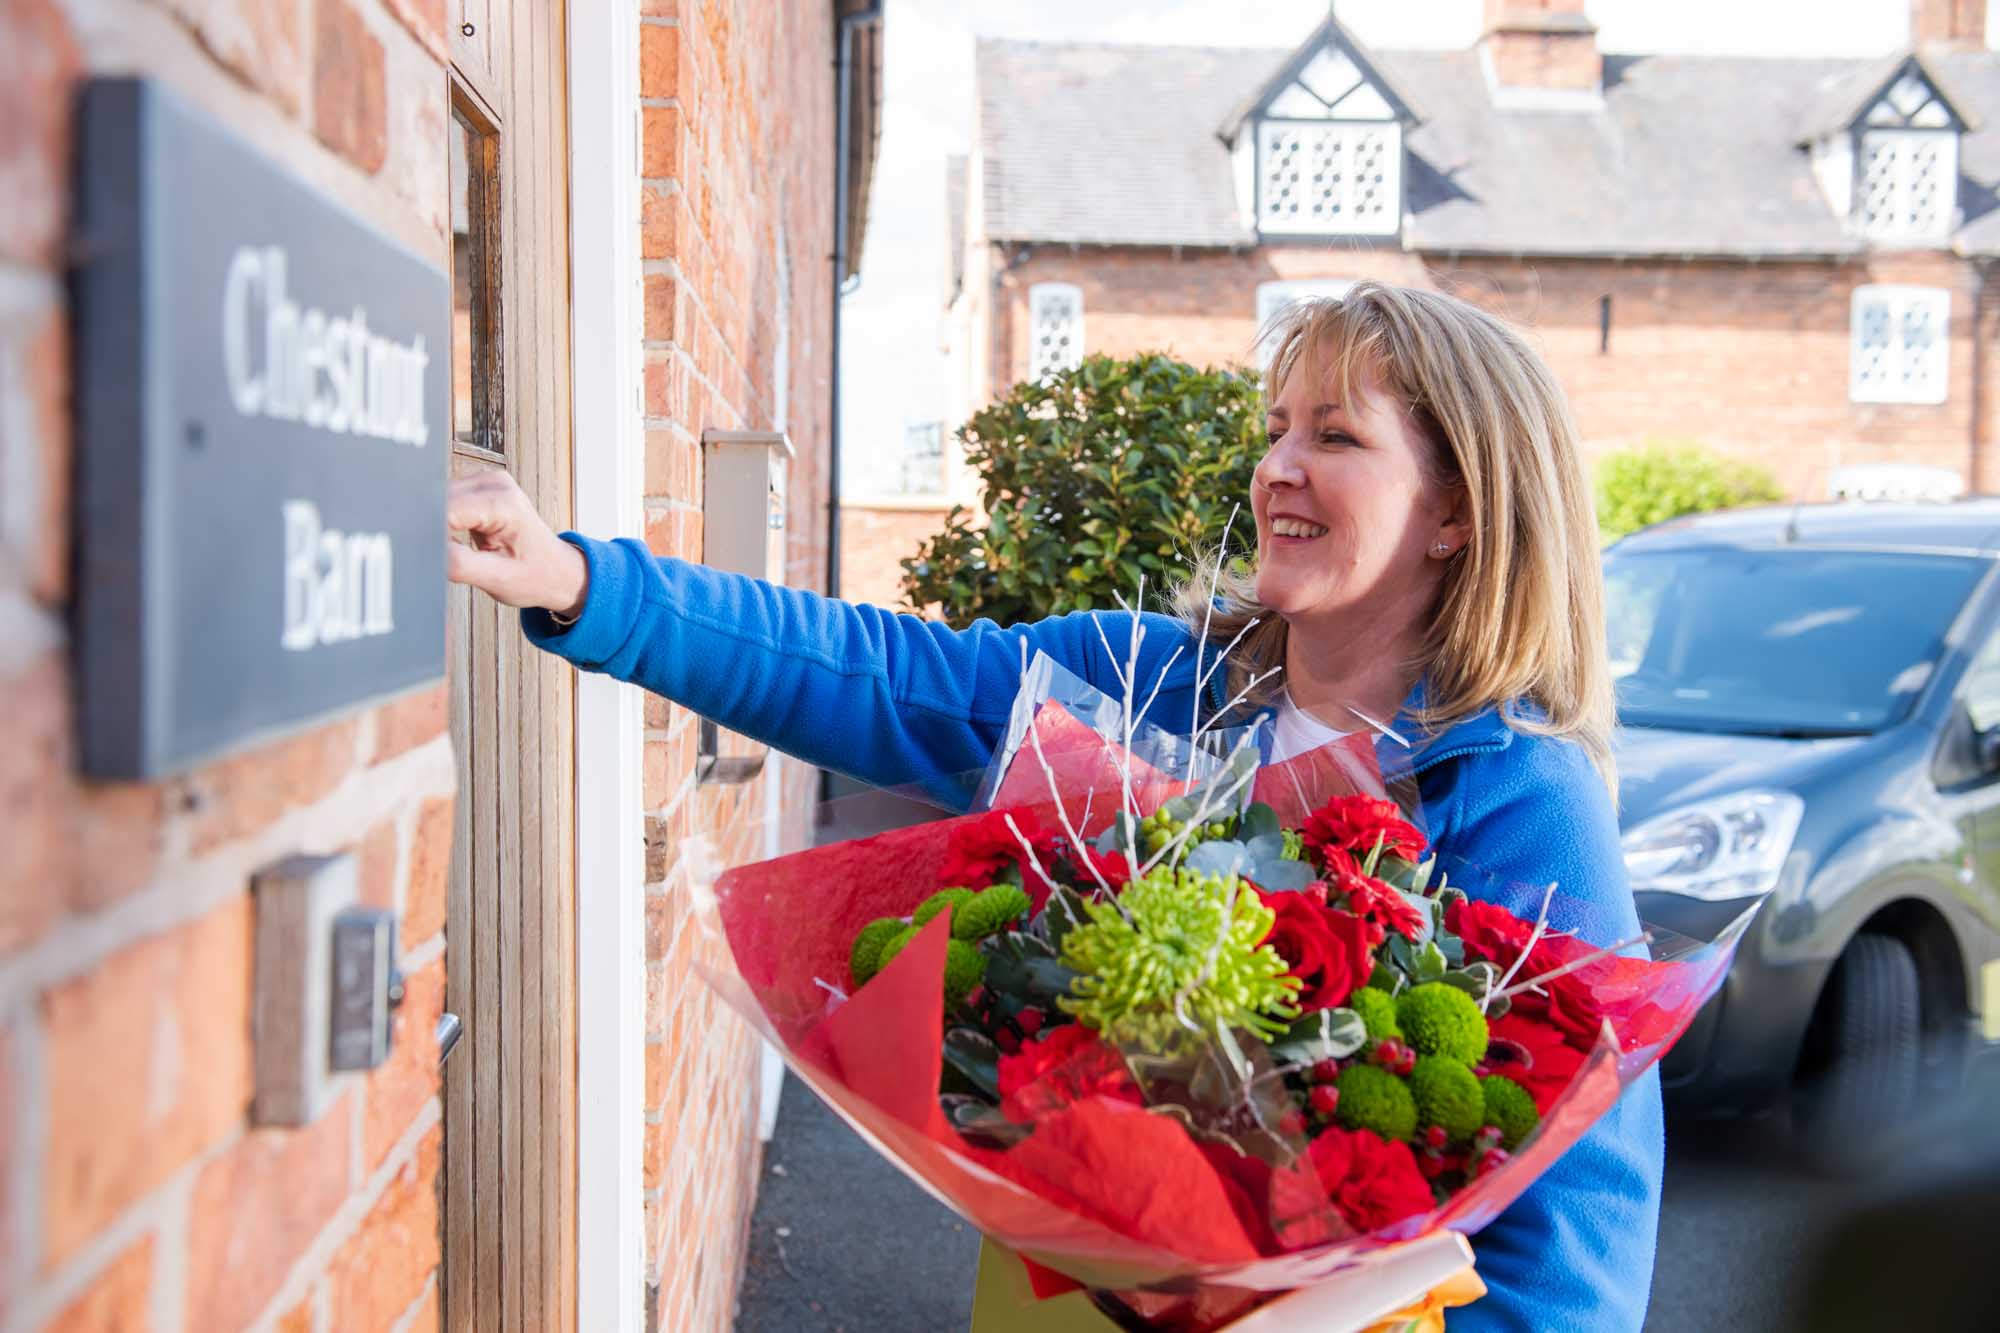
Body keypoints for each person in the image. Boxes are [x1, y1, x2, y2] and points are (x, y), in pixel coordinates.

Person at [446, 282, 1660, 1331]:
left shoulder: (1510, 791)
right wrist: (576, 582)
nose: (1276, 466)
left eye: (1334, 436)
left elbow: (1577, 1231)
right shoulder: (1145, 686)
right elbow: (871, 674)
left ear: (1458, 510)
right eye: (1276, 426)